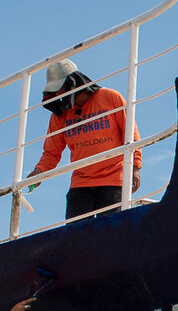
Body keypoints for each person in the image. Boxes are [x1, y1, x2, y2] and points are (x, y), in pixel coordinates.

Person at [31, 57, 141, 221]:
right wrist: (38, 173)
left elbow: (131, 134)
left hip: (113, 178)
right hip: (81, 183)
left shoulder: (110, 97)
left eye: (61, 88)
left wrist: (136, 167)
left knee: (112, 234)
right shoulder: (60, 115)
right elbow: (51, 152)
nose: (59, 94)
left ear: (73, 82)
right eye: (56, 91)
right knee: (75, 238)